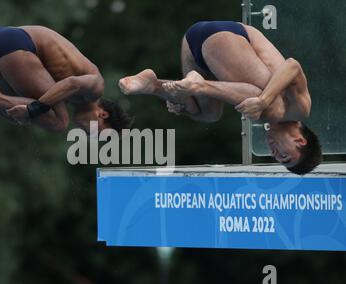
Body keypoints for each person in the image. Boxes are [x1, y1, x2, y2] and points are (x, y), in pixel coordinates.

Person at [119, 21, 322, 174]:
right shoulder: (300, 109)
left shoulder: (276, 116)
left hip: (194, 43)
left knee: (207, 114)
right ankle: (198, 85)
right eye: (284, 156)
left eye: (277, 158)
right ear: (300, 140)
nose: (275, 153)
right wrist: (264, 100)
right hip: (225, 36)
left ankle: (153, 85)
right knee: (270, 108)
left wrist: (182, 103)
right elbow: (293, 66)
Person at [0, 25, 132, 134]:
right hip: (18, 44)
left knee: (18, 116)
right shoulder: (96, 88)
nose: (88, 135)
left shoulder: (74, 99)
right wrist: (35, 108)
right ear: (102, 114)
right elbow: (71, 83)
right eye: (96, 133)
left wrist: (30, 111)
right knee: (59, 122)